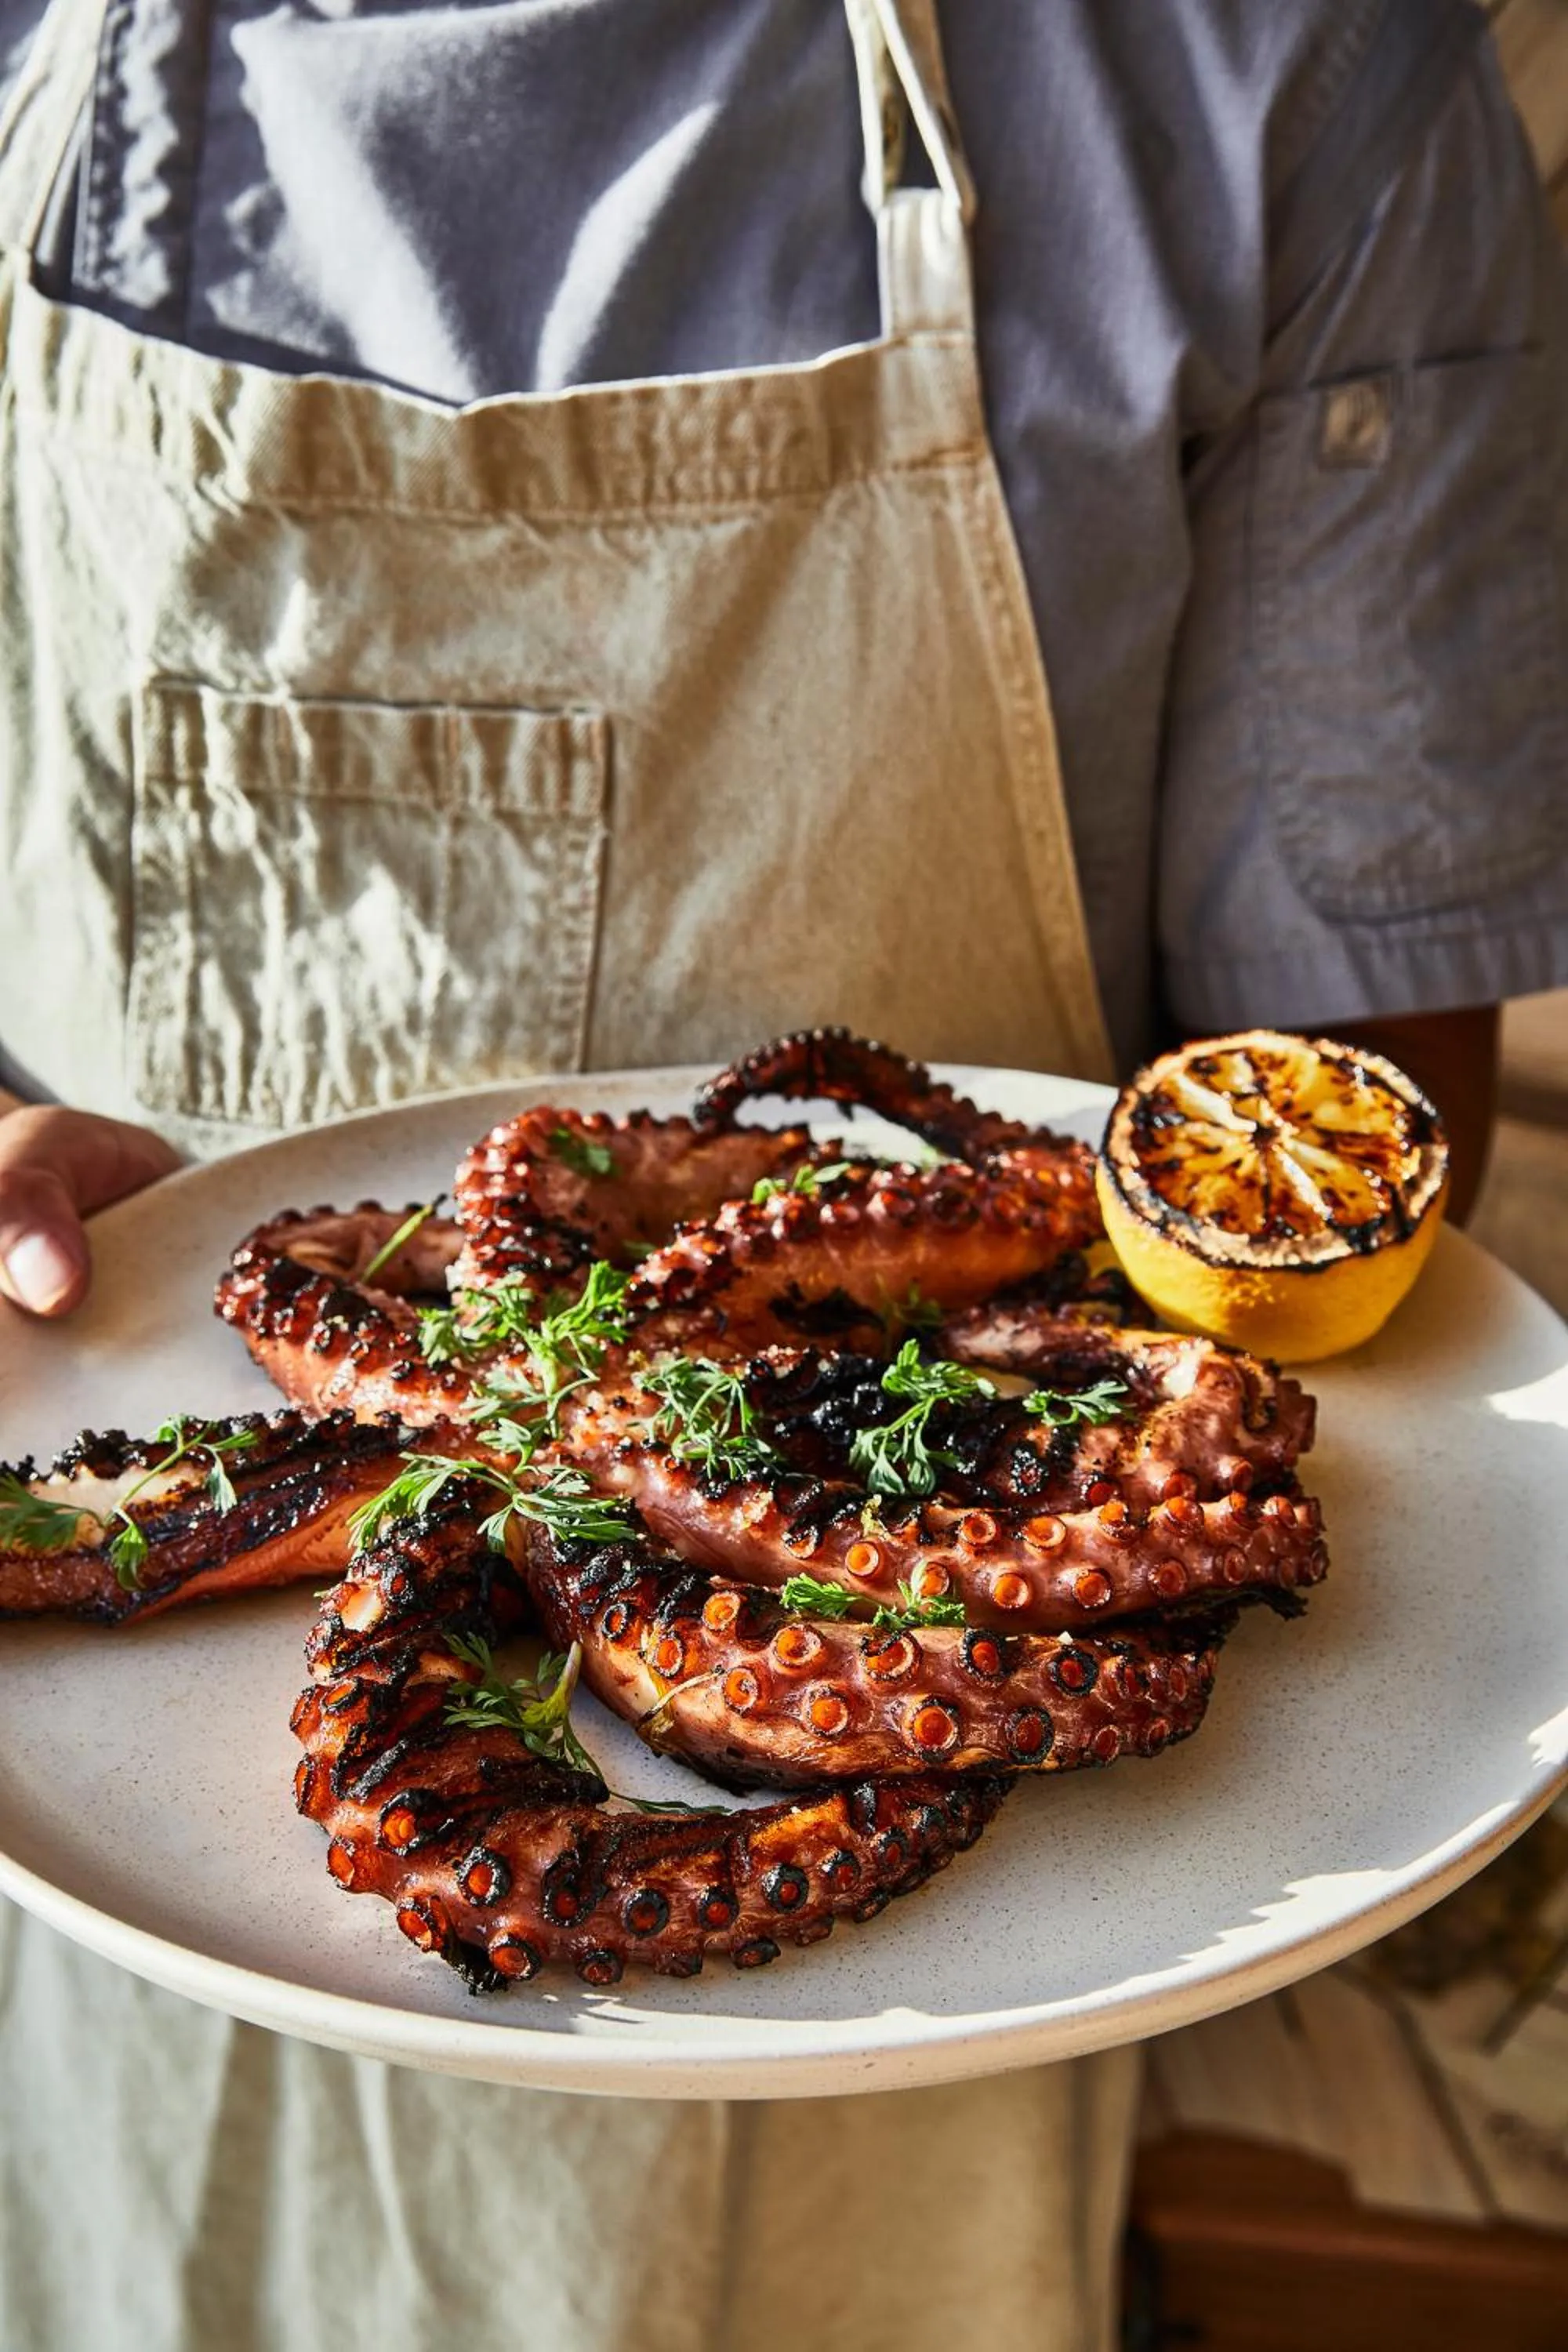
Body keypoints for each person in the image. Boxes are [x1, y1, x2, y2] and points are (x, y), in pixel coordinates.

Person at [0, 2, 1563, 2347]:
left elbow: (1326, 1157)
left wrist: (1043, 1437)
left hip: (1004, 2007)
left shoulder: (1287, 77)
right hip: (134, 1915)